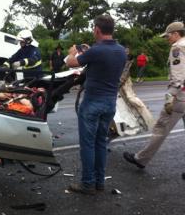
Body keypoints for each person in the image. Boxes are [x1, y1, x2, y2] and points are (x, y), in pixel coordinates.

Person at [65, 15, 127, 195]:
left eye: (94, 29)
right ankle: (99, 182)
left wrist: (72, 52)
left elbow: (71, 62)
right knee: (101, 142)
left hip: (92, 103)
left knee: (88, 145)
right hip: (110, 104)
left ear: (98, 30)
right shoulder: (121, 50)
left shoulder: (96, 50)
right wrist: (88, 52)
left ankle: (87, 184)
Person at [123, 22, 185, 169]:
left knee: (161, 128)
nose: (167, 39)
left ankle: (141, 159)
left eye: (168, 36)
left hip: (180, 95)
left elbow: (178, 76)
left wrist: (170, 97)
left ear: (176, 33)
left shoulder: (178, 47)